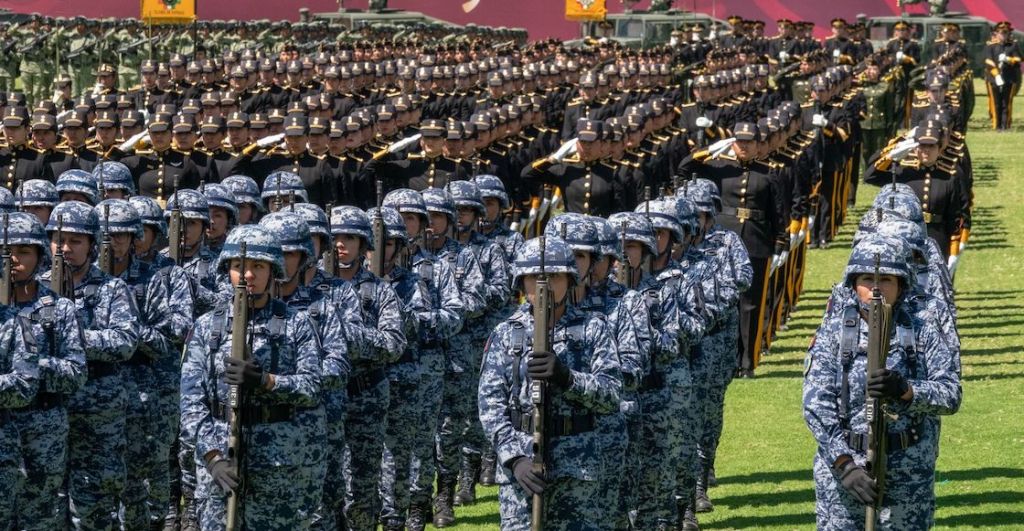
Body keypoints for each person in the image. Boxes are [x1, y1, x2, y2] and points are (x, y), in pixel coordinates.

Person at [803, 234, 961, 530]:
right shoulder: (834, 332)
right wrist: (844, 464)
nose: (876, 288)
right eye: (866, 279)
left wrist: (907, 390)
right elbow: (815, 405)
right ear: (853, 284)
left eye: (887, 279)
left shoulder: (922, 330)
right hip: (845, 472)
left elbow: (951, 394)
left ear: (902, 285)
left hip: (908, 472)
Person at [179, 224, 326, 530]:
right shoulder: (208, 328)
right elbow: (191, 403)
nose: (247, 275)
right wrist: (212, 457)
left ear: (273, 271)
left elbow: (312, 387)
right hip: (222, 459)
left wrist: (267, 381)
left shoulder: (295, 324)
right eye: (238, 267)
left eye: (257, 266)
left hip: (278, 462)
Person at [478, 235, 623, 530]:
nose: (543, 285)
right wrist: (513, 458)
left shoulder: (593, 328)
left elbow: (611, 394)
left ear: (570, 280)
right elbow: (490, 406)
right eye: (534, 277)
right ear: (521, 283)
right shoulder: (507, 334)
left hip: (577, 466)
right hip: (523, 465)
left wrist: (568, 378)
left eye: (554, 276)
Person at [94, 198, 193, 529]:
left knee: (145, 485)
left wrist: (128, 332)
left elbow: (174, 333)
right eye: (108, 235)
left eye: (123, 235)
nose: (116, 242)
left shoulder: (158, 278)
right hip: (96, 398)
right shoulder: (80, 281)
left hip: (148, 394)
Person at [43, 200, 141, 529]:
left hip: (98, 414)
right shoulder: (35, 288)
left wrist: (74, 338)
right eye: (59, 240)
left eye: (76, 241)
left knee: (93, 510)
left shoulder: (113, 290)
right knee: (47, 507)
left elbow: (125, 342)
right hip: (47, 411)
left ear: (92, 245)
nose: (65, 249)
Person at [5, 211, 87, 529]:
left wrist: (29, 367)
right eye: (6, 250)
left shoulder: (59, 308)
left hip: (43, 432)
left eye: (23, 251)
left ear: (39, 255)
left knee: (39, 520)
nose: (13, 258)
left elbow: (75, 372)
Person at [328, 205, 407, 530]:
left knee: (360, 491)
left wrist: (348, 336)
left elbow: (393, 343)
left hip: (365, 399)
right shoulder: (314, 289)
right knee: (325, 489)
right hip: (323, 397)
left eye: (349, 237)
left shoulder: (380, 291)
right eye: (335, 238)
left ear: (363, 245)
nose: (341, 244)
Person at [983, 22, 1021, 130]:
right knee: (996, 103)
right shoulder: (991, 46)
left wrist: (1009, 59)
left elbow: (1019, 59)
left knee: (1006, 103)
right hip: (994, 78)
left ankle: (1005, 125)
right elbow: (988, 60)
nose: (1004, 35)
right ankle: (996, 125)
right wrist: (996, 75)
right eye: (1001, 33)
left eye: (1006, 33)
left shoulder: (1013, 45)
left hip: (1009, 78)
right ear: (996, 33)